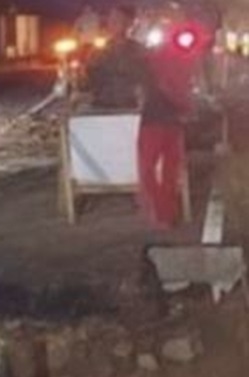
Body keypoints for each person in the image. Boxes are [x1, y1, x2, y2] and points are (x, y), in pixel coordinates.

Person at [138, 34, 202, 227]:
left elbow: (164, 87)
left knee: (149, 168)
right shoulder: (178, 62)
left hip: (155, 120)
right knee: (169, 170)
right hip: (169, 121)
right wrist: (187, 107)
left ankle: (162, 211)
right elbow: (175, 89)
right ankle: (166, 213)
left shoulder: (156, 61)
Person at [84, 6, 148, 109]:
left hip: (129, 107)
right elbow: (88, 81)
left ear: (128, 24)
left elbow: (145, 81)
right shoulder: (99, 50)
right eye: (111, 19)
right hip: (103, 106)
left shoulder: (140, 51)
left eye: (117, 19)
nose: (112, 23)